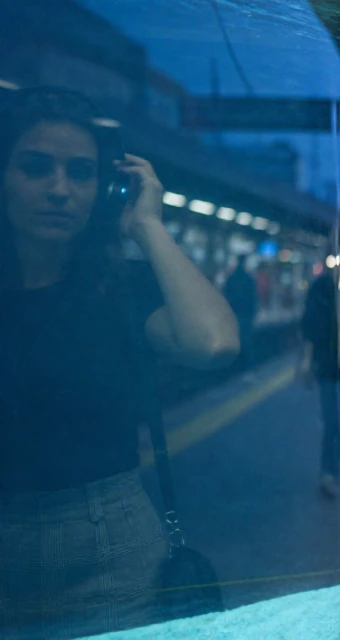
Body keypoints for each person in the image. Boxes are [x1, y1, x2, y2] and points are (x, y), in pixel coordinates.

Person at [0, 87, 240, 638]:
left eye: (81, 173)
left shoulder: (121, 291)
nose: (59, 189)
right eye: (36, 168)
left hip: (110, 544)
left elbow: (214, 343)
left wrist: (149, 227)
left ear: (103, 193)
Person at [300, 265, 340, 497]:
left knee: (334, 422)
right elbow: (312, 328)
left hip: (333, 366)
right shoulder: (327, 289)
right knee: (334, 422)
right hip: (329, 365)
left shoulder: (334, 289)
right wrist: (307, 362)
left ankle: (331, 472)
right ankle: (329, 473)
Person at [224, 253, 258, 370]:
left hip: (234, 314)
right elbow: (253, 298)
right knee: (245, 341)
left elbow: (226, 296)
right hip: (245, 314)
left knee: (234, 340)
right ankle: (245, 367)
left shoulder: (231, 278)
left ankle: (233, 367)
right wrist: (253, 314)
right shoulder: (248, 279)